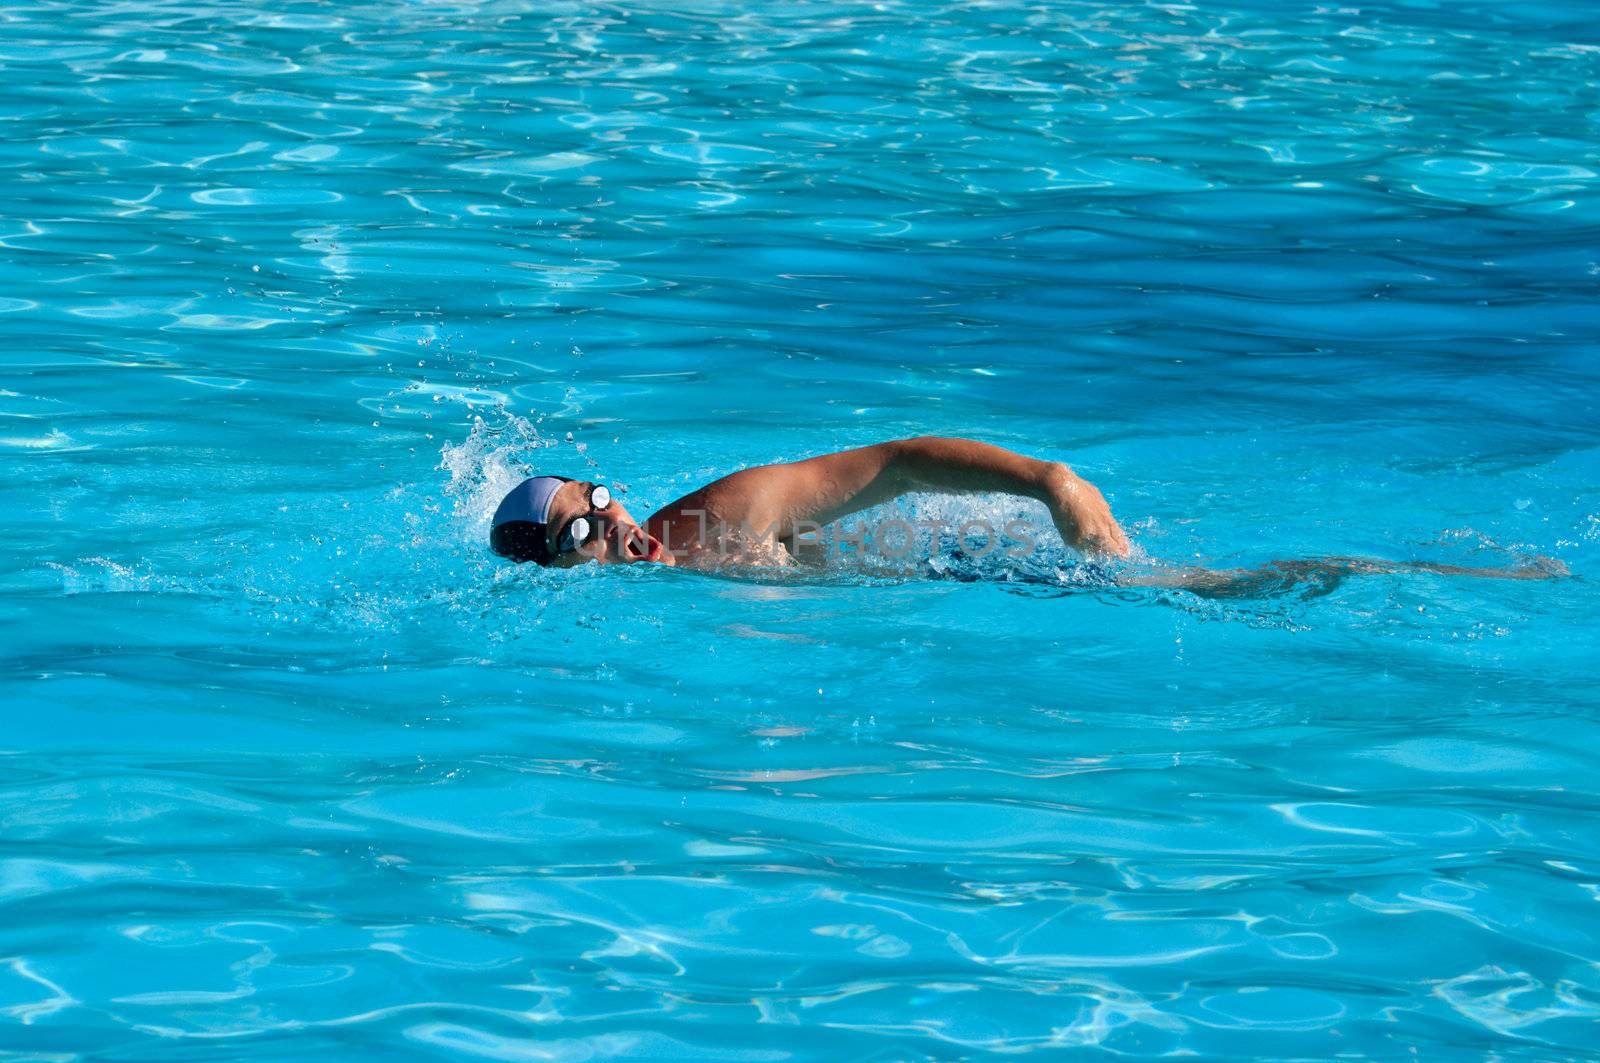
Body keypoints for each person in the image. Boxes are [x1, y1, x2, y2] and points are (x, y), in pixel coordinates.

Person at [488, 435, 1566, 592]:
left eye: (601, 502)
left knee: (1208, 592)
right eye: (581, 537)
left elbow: (900, 461)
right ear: (560, 566)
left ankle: (1454, 580)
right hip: (956, 581)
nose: (611, 529)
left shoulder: (720, 517)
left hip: (987, 560)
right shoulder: (669, 586)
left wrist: (1048, 480)